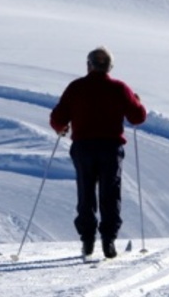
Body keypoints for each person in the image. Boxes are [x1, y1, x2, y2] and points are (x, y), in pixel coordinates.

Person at [49, 46, 147, 259]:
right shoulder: (119, 88)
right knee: (110, 193)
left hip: (83, 147)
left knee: (85, 192)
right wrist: (137, 102)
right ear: (110, 67)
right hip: (110, 148)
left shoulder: (76, 87)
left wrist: (61, 127)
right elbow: (138, 117)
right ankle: (108, 240)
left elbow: (58, 118)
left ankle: (87, 241)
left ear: (89, 65)